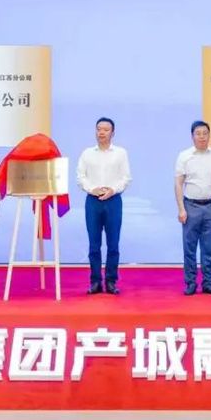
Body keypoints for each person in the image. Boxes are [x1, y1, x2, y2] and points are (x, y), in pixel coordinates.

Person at [76, 117, 131, 295]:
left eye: (106, 130)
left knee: (113, 244)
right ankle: (95, 282)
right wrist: (92, 189)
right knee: (94, 244)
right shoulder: (87, 153)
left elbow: (126, 178)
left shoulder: (120, 153)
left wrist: (112, 190)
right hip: (93, 201)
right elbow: (80, 177)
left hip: (113, 201)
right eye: (99, 129)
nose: (101, 132)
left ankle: (111, 281)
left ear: (112, 133)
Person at [174, 120, 211, 296]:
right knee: (189, 247)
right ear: (192, 136)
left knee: (208, 248)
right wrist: (181, 208)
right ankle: (190, 283)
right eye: (198, 133)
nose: (202, 137)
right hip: (191, 206)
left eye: (205, 133)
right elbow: (178, 183)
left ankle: (208, 283)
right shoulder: (184, 156)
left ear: (209, 135)